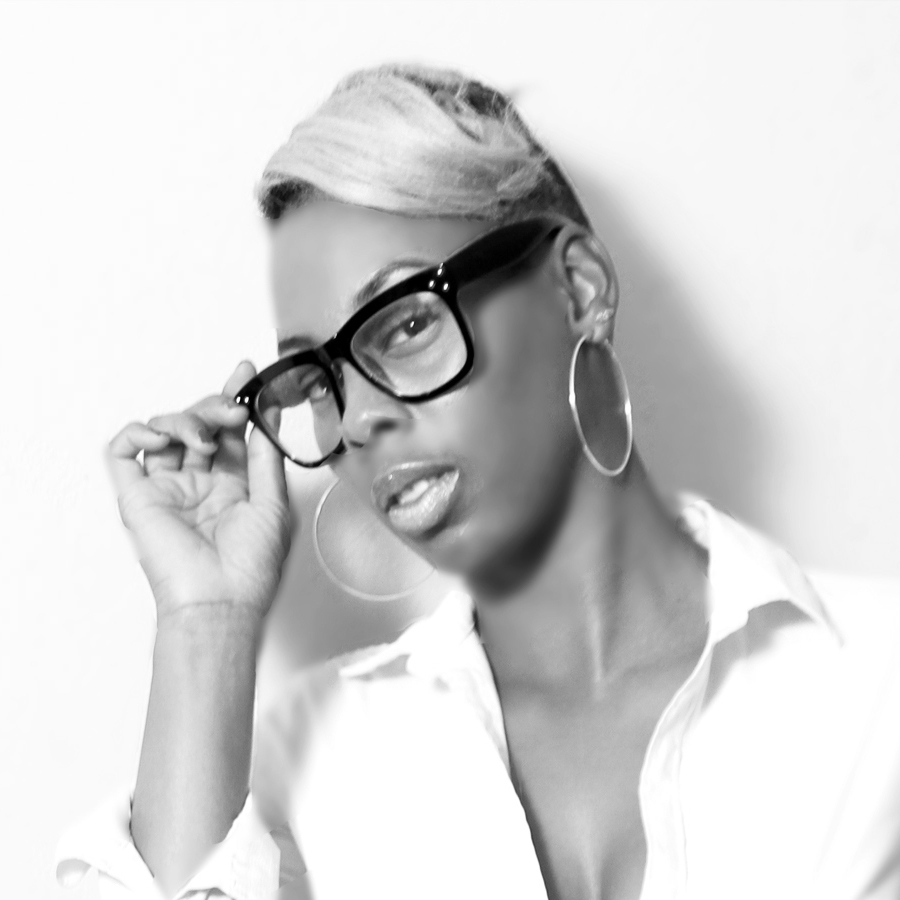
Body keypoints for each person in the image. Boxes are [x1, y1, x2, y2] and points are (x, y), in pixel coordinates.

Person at [54, 63, 900, 900]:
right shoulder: (308, 758)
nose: (356, 419)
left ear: (577, 289)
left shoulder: (875, 685)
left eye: (406, 323)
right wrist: (206, 625)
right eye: (318, 380)